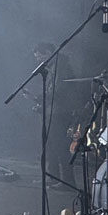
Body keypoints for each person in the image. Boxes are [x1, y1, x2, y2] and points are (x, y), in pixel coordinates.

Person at [33, 42, 81, 187]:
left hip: (60, 113)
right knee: (50, 146)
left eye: (40, 56)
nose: (38, 60)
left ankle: (66, 181)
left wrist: (38, 97)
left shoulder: (61, 67)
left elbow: (58, 91)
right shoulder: (53, 68)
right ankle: (52, 176)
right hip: (53, 111)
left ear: (48, 52)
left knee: (60, 147)